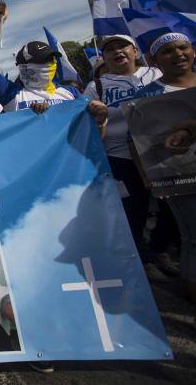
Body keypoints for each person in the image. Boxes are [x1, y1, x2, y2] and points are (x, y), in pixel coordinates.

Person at [84, 35, 168, 277]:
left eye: (122, 46)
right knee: (135, 208)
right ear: (104, 58)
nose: (117, 52)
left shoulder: (155, 74)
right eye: (110, 50)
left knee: (170, 208)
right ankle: (143, 259)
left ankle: (161, 249)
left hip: (162, 150)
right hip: (119, 155)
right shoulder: (96, 86)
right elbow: (90, 124)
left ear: (134, 51)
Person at [134, 32, 196, 302]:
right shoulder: (148, 95)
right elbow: (138, 141)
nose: (178, 55)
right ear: (154, 60)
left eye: (183, 48)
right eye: (168, 52)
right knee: (192, 237)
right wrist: (147, 174)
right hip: (180, 177)